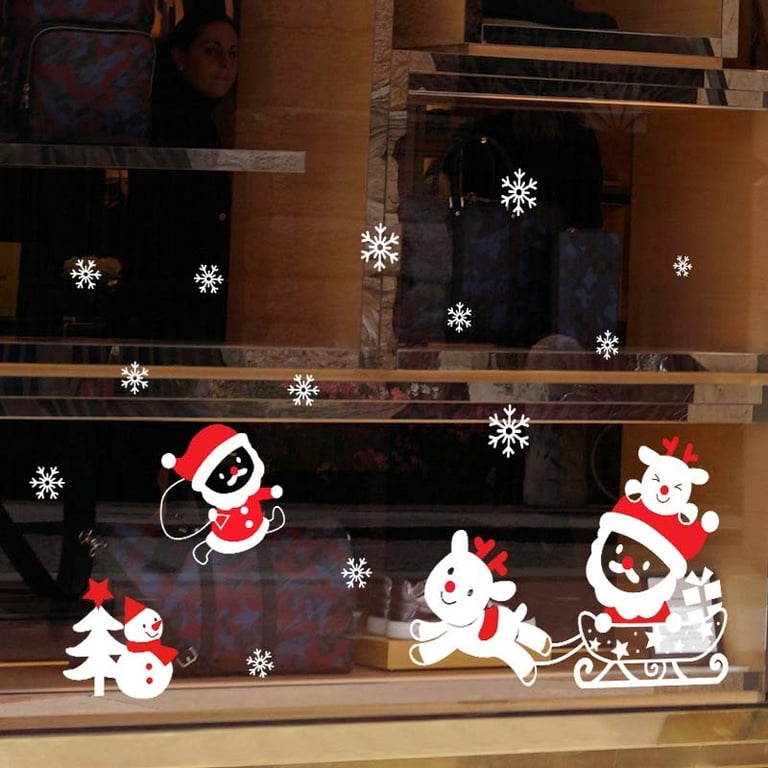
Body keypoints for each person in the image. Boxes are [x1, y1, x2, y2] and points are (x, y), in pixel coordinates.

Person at [112, 10, 240, 342]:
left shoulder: (204, 119)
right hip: (172, 298)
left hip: (181, 291)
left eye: (233, 53)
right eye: (211, 51)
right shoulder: (174, 121)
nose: (225, 64)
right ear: (180, 58)